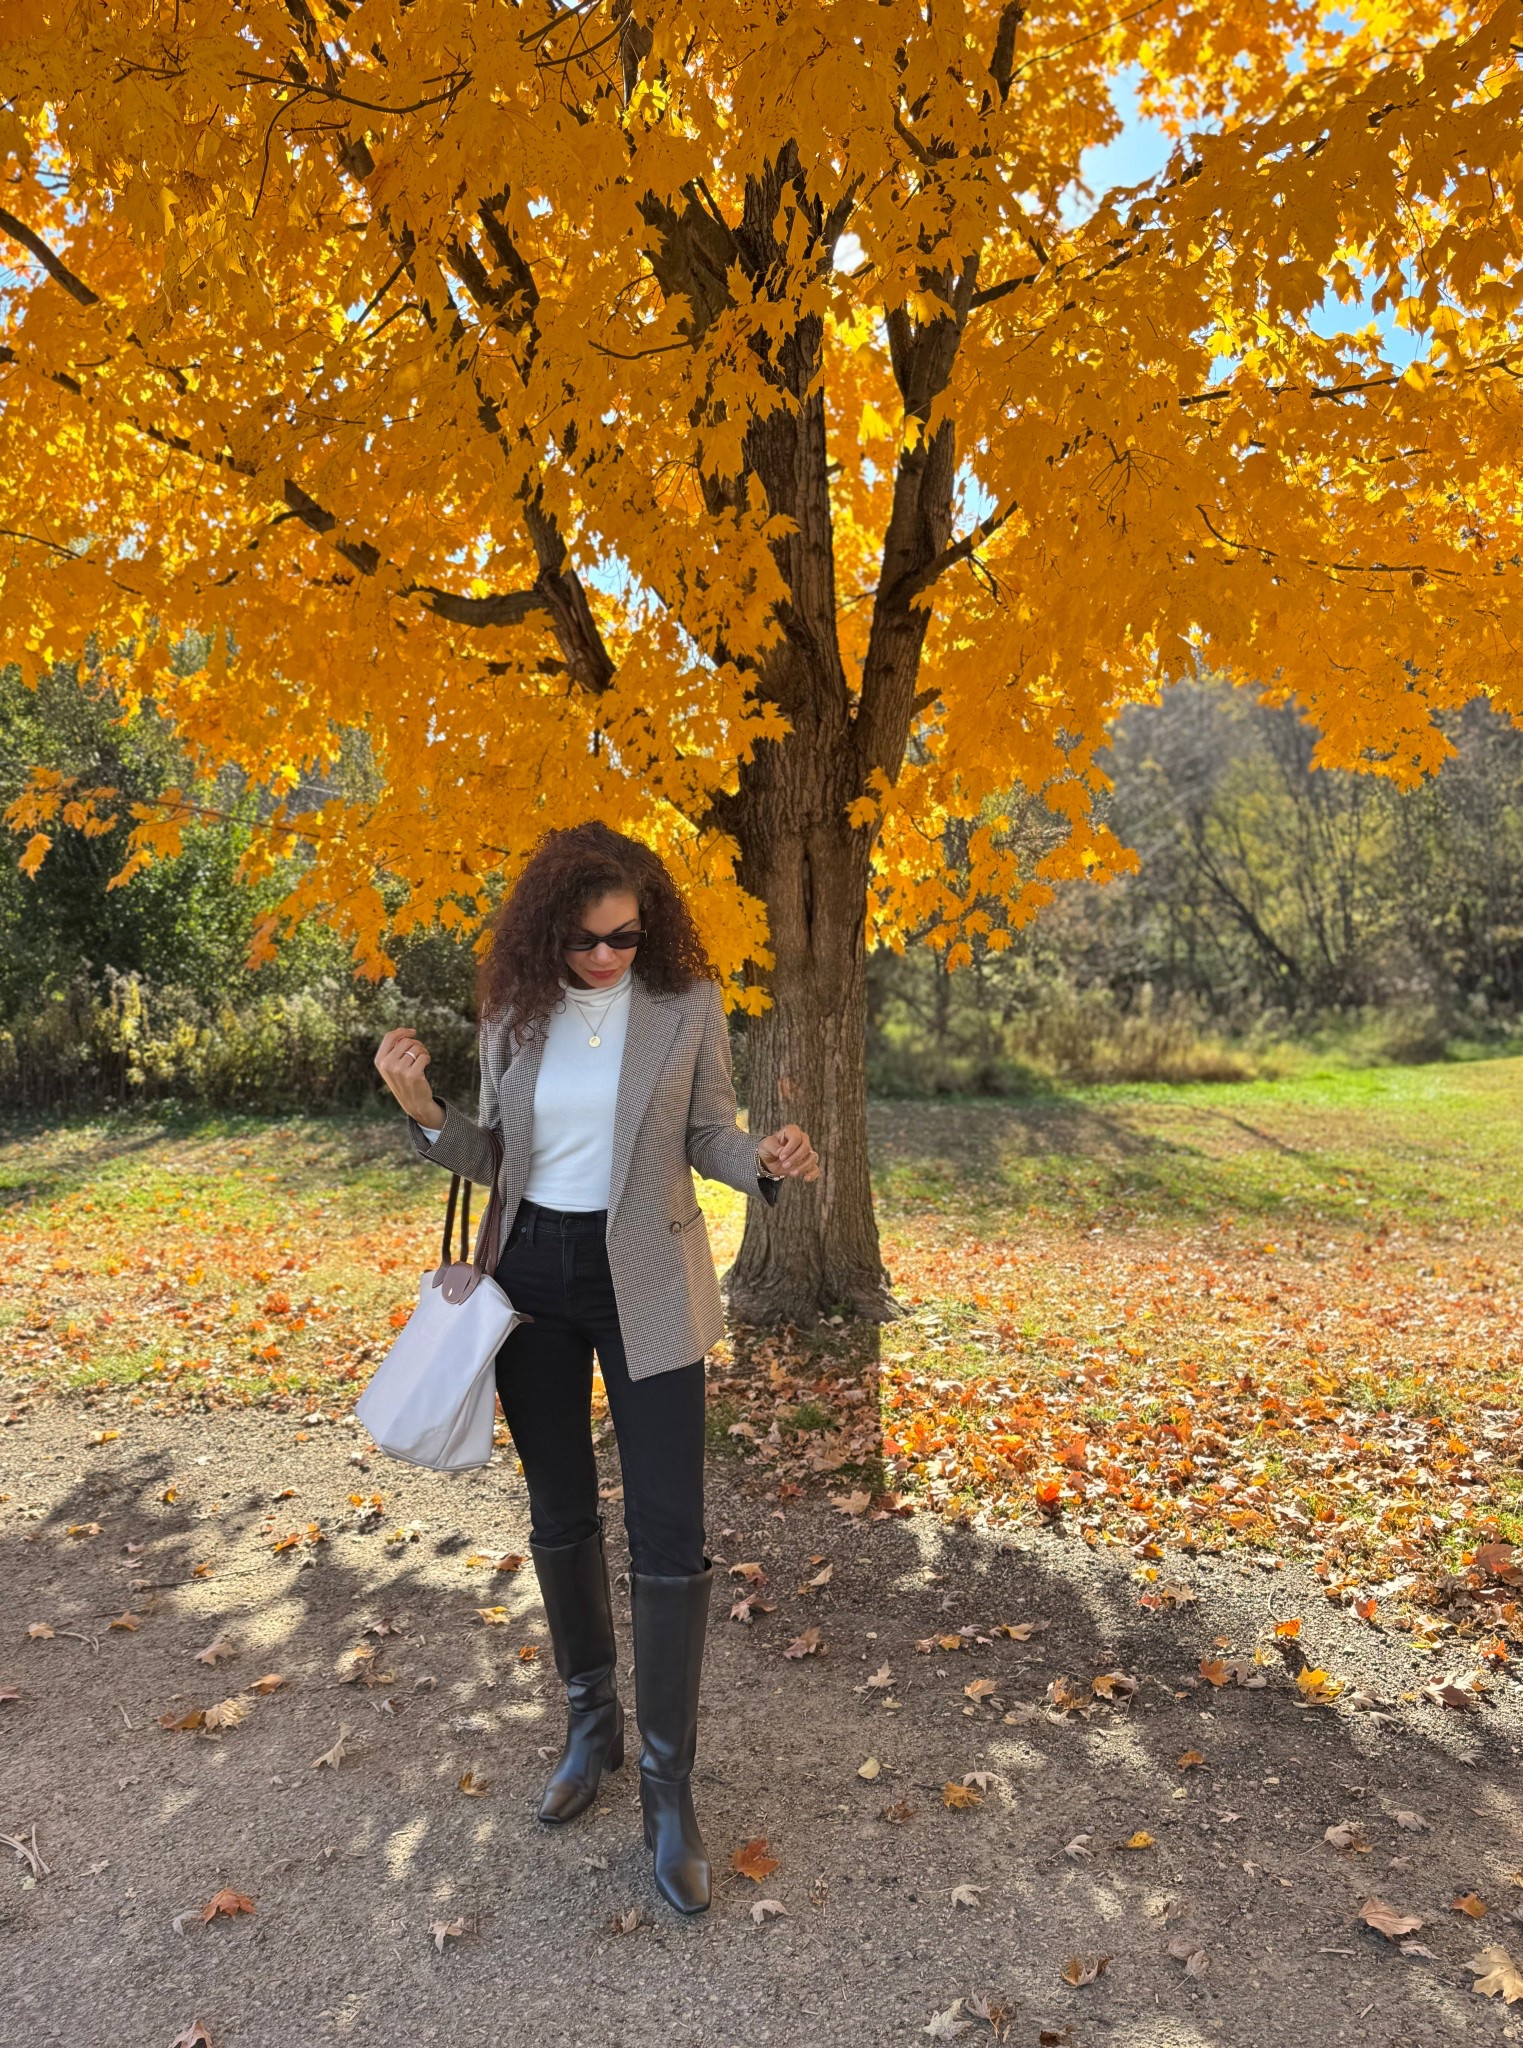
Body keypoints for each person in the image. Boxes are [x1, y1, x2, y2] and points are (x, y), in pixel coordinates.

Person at [373, 822, 819, 1914]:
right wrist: (424, 1112)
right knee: (560, 1509)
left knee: (669, 1527)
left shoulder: (685, 1006)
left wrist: (761, 1159)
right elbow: (497, 1158)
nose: (608, 956)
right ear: (549, 934)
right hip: (532, 1276)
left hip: (648, 1278)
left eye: (625, 936)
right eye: (586, 940)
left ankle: (668, 1788)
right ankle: (592, 1727)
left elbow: (707, 1133)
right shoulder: (515, 1009)